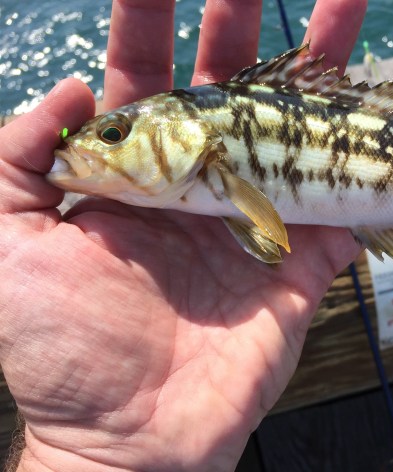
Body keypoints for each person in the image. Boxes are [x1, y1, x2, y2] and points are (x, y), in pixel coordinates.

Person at [0, 0, 367, 470]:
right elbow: (256, 223)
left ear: (194, 140)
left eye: (113, 135)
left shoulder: (208, 160)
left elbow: (258, 220)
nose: (88, 149)